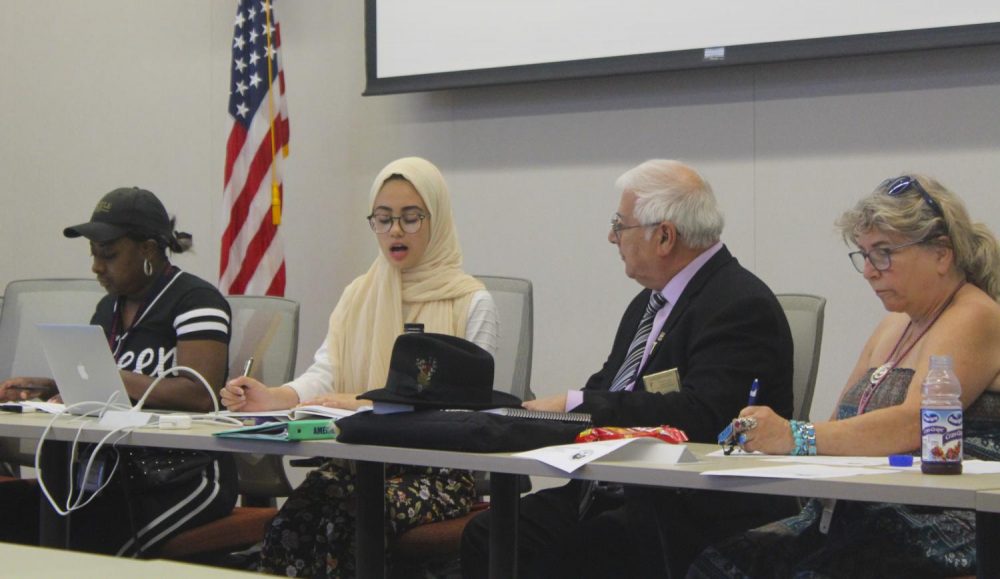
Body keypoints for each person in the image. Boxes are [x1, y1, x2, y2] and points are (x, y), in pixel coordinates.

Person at [461, 159, 798, 579]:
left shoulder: (739, 305)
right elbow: (611, 387)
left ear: (664, 236)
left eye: (620, 226)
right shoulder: (649, 303)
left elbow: (704, 418)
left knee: (569, 557)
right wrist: (540, 417)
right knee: (488, 535)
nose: (611, 237)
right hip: (612, 494)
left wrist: (576, 403)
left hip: (686, 508)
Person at [688, 174, 1000, 578]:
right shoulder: (896, 326)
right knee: (717, 566)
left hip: (945, 522)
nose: (869, 271)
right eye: (864, 255)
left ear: (941, 253)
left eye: (884, 253)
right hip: (863, 514)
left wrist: (794, 435)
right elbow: (841, 426)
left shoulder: (974, 315)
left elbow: (914, 425)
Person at [220, 157, 498, 578]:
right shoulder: (358, 295)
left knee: (347, 518)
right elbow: (325, 374)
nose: (395, 231)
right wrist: (273, 396)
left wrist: (367, 404)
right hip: (355, 461)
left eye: (411, 218)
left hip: (438, 474)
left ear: (437, 219)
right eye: (383, 219)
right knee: (288, 524)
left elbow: (467, 409)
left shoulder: (471, 301)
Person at [0, 186, 237, 555]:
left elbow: (199, 394)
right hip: (112, 472)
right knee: (15, 517)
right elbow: (102, 389)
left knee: (85, 544)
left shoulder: (195, 300)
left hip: (183, 476)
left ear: (148, 250)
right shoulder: (109, 308)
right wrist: (50, 388)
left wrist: (112, 378)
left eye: (108, 254)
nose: (96, 266)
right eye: (93, 254)